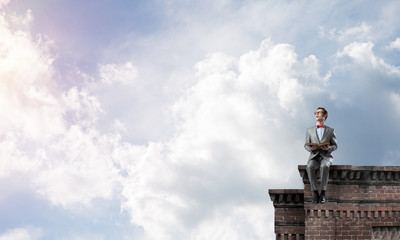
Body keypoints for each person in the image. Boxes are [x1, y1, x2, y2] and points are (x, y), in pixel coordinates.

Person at [304, 107, 338, 204]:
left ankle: (323, 193)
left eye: (319, 112)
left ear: (324, 115)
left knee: (324, 166)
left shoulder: (331, 130)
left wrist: (328, 148)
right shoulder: (309, 130)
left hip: (326, 156)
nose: (316, 114)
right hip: (314, 156)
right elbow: (305, 144)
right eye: (316, 112)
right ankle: (315, 193)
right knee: (309, 167)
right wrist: (311, 148)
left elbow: (335, 145)